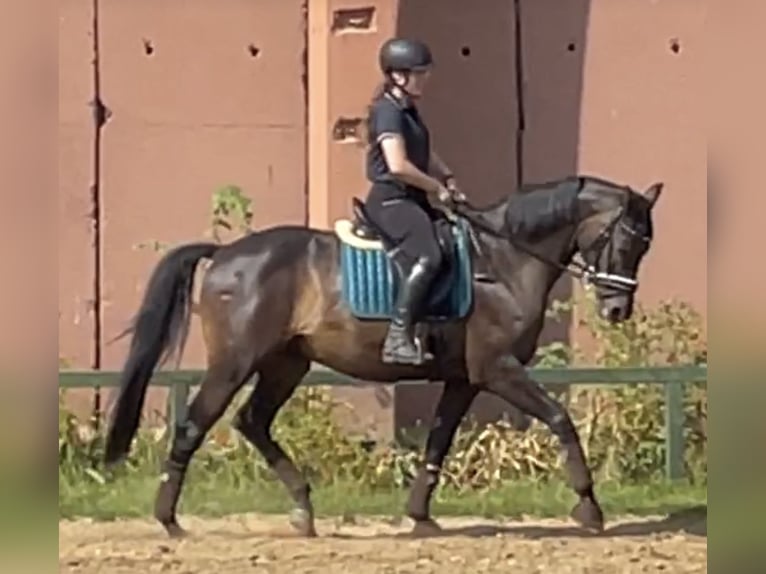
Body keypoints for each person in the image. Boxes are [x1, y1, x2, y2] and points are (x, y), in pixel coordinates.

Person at [363, 37, 467, 366]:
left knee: (453, 240)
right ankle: (397, 336)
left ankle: (432, 329)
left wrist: (447, 175)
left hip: (411, 198)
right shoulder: (387, 112)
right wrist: (436, 188)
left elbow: (423, 149)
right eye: (418, 73)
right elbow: (398, 165)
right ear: (397, 76)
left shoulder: (407, 110)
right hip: (391, 202)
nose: (425, 79)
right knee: (429, 255)